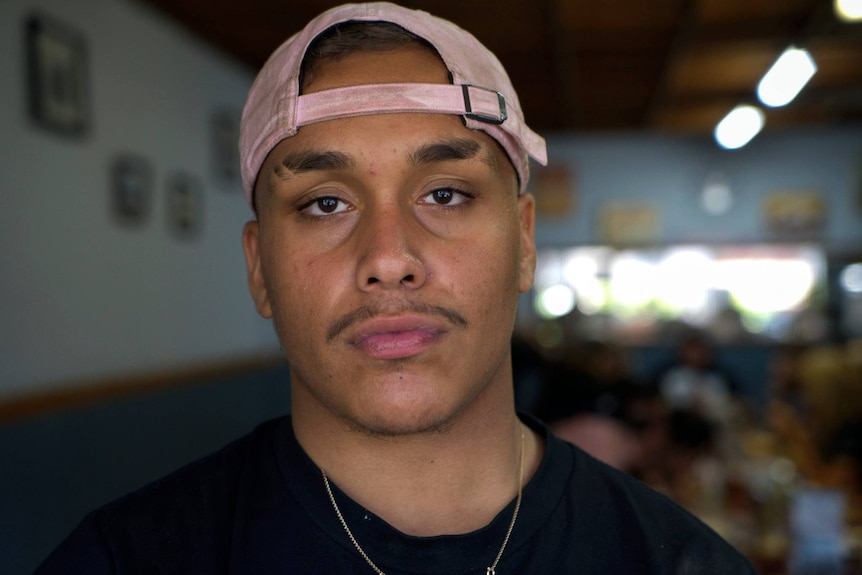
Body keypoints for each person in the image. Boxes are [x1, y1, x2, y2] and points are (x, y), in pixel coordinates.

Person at [35, 3, 755, 573]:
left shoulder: (678, 560)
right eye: (325, 203)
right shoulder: (127, 557)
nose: (388, 257)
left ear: (525, 242)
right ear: (259, 268)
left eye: (444, 193)